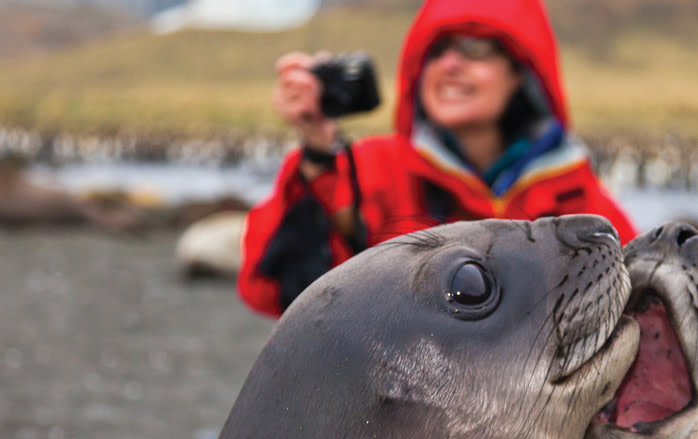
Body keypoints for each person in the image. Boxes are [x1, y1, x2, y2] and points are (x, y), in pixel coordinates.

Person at [238, 0, 638, 317]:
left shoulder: (571, 191)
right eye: (438, 50)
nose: (450, 65)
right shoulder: (375, 170)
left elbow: (632, 300)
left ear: (521, 71)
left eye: (475, 48)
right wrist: (316, 153)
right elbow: (270, 291)